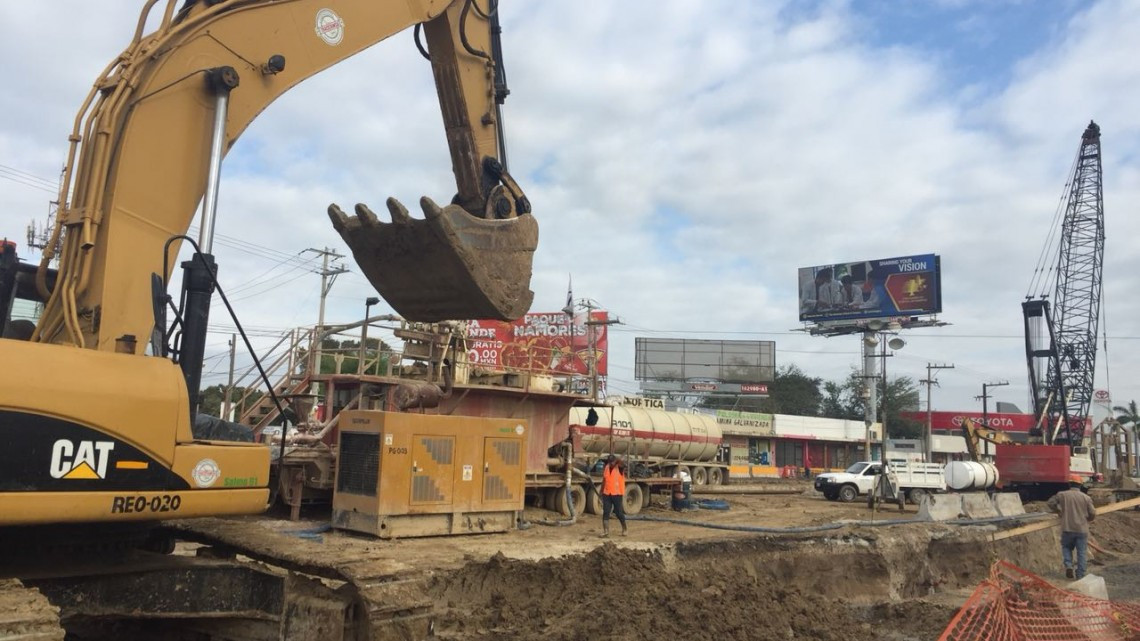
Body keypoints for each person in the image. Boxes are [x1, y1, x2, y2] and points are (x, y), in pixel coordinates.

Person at [1047, 474, 1096, 579]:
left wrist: (1058, 511)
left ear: (1069, 484)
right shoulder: (1086, 498)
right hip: (1082, 529)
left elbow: (1050, 503)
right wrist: (1089, 519)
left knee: (1066, 547)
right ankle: (1080, 574)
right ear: (1080, 485)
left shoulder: (1062, 495)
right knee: (1081, 552)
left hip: (1067, 528)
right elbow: (1092, 512)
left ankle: (1069, 565)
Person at [600, 454, 627, 537]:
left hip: (617, 493)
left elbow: (622, 462)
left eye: (612, 462)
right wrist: (601, 491)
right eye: (610, 462)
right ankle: (606, 531)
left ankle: (624, 529)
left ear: (615, 461)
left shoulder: (619, 468)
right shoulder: (607, 467)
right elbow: (604, 480)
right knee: (606, 512)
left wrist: (617, 461)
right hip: (607, 493)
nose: (611, 464)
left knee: (618, 512)